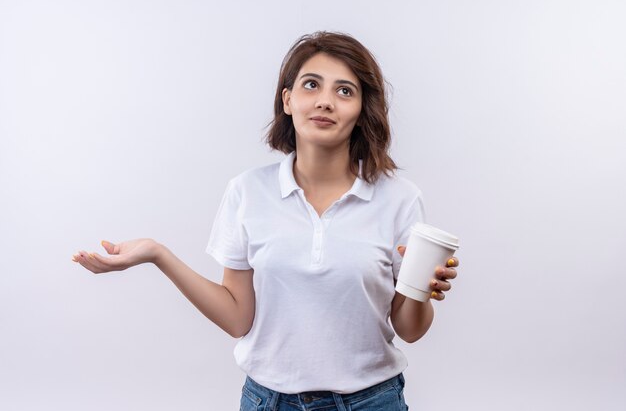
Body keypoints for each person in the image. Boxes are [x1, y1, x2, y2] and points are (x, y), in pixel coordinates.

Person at [72, 31, 460, 411]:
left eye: (344, 91)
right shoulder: (247, 192)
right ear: (288, 100)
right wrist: (158, 254)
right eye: (312, 85)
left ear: (361, 111)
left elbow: (409, 328)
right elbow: (239, 318)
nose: (325, 101)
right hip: (269, 402)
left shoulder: (399, 198)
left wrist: (423, 291)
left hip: (372, 401)